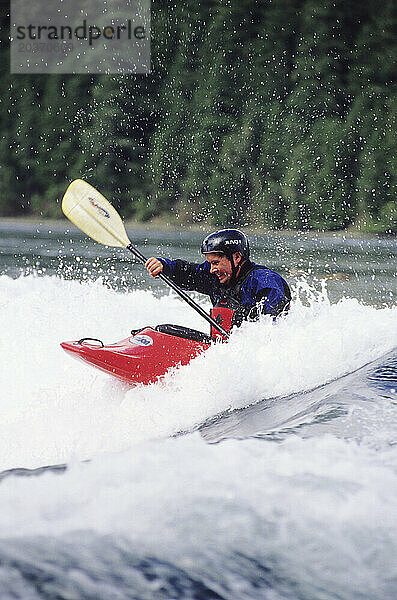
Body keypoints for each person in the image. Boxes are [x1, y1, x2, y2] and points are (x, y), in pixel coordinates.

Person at [145, 229, 291, 336]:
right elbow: (188, 272)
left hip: (250, 356)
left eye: (215, 263)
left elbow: (277, 329)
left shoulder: (264, 281)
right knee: (164, 330)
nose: (211, 269)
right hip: (222, 351)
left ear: (236, 257)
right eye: (210, 263)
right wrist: (164, 266)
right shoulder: (215, 276)